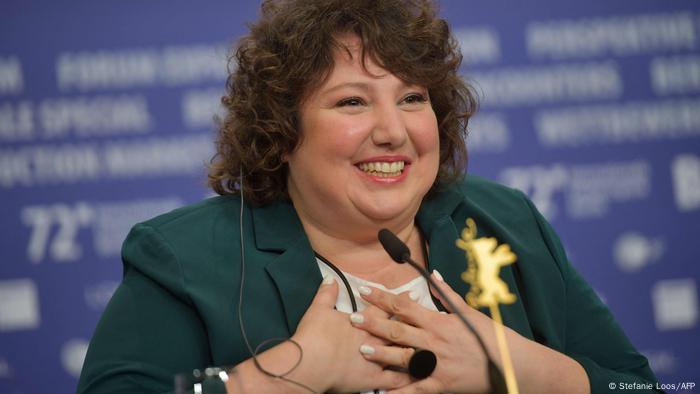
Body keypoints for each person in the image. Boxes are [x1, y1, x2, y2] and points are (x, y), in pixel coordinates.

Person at [77, 0, 661, 393]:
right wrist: (289, 375)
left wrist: (512, 367)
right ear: (281, 132)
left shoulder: (503, 221)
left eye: (412, 99)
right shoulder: (185, 259)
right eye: (352, 102)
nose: (394, 130)